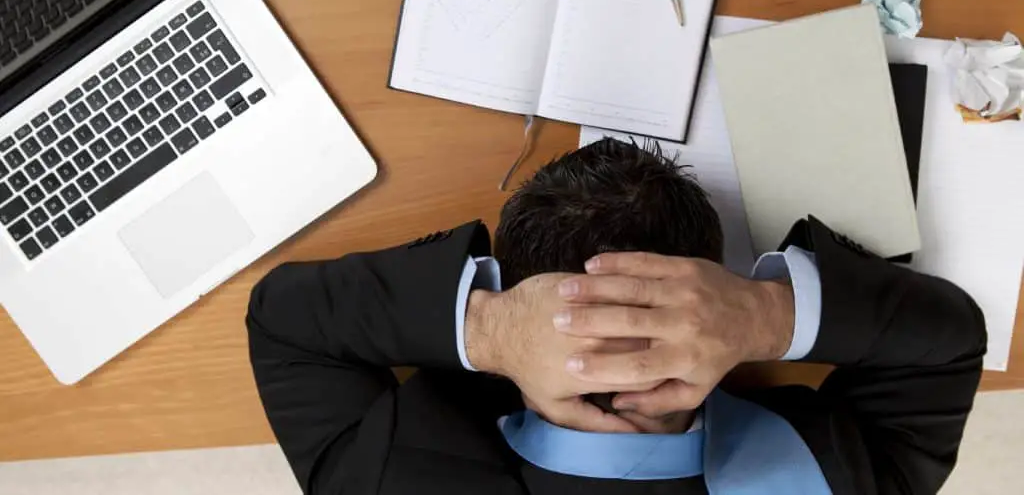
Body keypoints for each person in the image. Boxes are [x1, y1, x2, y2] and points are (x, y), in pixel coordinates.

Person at [246, 139, 986, 495]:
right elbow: (949, 343)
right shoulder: (838, 479)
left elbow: (284, 323)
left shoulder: (387, 476)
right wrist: (764, 316)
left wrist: (486, 329)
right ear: (710, 282)